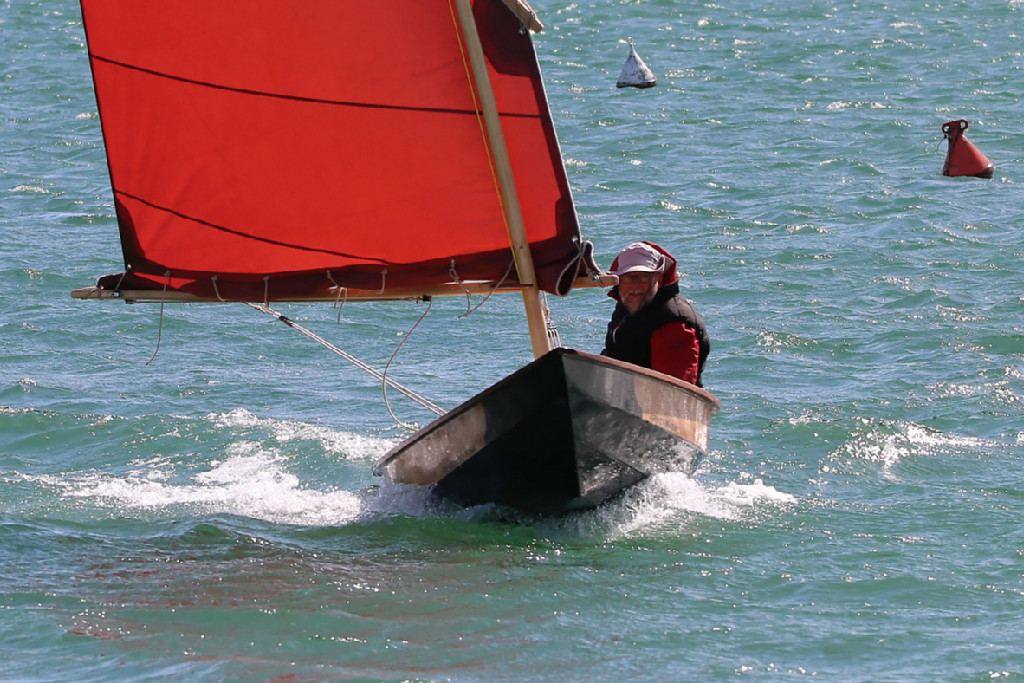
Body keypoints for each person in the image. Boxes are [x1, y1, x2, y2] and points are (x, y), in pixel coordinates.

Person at [602, 241, 710, 387]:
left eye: (643, 277)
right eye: (628, 277)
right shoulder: (626, 308)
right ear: (618, 281)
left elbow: (673, 393)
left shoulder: (673, 323)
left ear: (658, 279)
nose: (635, 286)